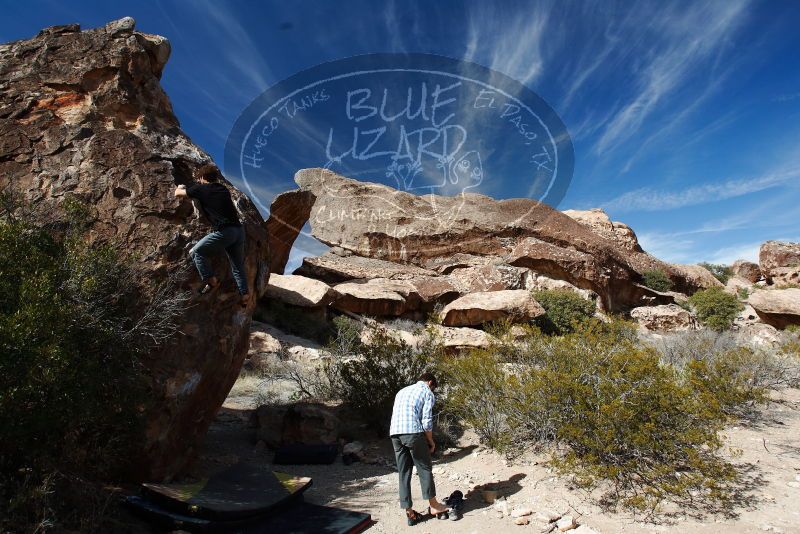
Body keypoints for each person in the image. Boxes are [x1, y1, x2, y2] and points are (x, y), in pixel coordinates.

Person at [174, 166, 249, 305]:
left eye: (199, 178)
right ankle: (245, 295)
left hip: (225, 232)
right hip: (239, 231)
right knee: (237, 266)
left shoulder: (200, 189)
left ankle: (212, 281)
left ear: (202, 178)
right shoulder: (223, 189)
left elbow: (178, 193)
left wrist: (181, 186)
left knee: (197, 252)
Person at [389, 372, 449, 526]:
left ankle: (409, 512)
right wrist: (431, 441)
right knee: (424, 468)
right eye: (433, 388)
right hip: (412, 432)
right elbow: (427, 421)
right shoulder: (426, 392)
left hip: (395, 433)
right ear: (430, 383)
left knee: (403, 472)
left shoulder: (402, 391)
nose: (433, 391)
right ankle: (434, 506)